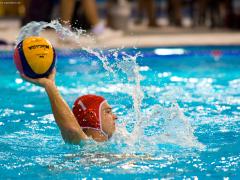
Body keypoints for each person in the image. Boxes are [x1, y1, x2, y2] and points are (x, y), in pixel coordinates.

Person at [20, 69, 118, 144]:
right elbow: (71, 130)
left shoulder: (105, 147)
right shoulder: (85, 145)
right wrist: (49, 85)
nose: (115, 117)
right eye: (108, 111)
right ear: (92, 117)